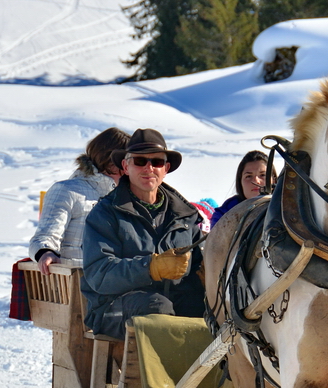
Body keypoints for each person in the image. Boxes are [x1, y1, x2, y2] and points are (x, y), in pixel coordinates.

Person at [81, 128, 206, 341]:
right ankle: (163, 375)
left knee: (213, 310)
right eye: (140, 161)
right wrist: (151, 268)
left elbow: (197, 267)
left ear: (165, 169)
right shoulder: (105, 213)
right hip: (113, 308)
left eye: (156, 162)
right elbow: (99, 274)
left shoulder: (185, 215)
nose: (149, 168)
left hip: (172, 299)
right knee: (157, 308)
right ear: (125, 166)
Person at [28, 127, 130, 274]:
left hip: (114, 282)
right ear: (110, 160)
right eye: (127, 162)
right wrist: (46, 252)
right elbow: (44, 237)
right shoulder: (68, 191)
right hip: (76, 283)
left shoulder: (125, 198)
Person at [210, 150, 276, 228]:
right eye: (248, 176)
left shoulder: (286, 209)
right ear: (240, 181)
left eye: (263, 175)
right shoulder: (224, 215)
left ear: (274, 180)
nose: (256, 181)